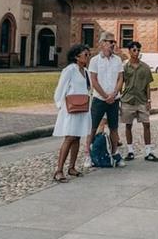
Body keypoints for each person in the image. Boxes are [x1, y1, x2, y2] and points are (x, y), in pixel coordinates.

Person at [85, 31, 126, 169]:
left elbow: (121, 78)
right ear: (102, 43)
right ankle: (88, 155)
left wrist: (114, 93)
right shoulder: (95, 60)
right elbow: (94, 80)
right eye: (110, 42)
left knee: (114, 128)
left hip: (114, 99)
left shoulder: (118, 60)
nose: (113, 44)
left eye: (113, 42)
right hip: (99, 98)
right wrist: (104, 95)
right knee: (93, 127)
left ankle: (115, 153)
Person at [52, 43, 92, 182]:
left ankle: (72, 166)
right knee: (69, 137)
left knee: (77, 137)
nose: (87, 57)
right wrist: (60, 105)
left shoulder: (86, 72)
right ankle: (59, 170)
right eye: (85, 54)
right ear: (76, 56)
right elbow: (60, 89)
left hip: (83, 108)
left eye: (89, 55)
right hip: (71, 109)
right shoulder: (69, 70)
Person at [120, 41, 158, 162]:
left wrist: (149, 100)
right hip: (128, 100)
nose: (136, 52)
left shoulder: (145, 67)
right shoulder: (124, 67)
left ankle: (148, 151)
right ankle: (130, 151)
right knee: (128, 125)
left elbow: (147, 85)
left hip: (142, 100)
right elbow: (120, 82)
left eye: (138, 50)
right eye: (134, 50)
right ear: (129, 51)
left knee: (146, 124)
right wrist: (120, 96)